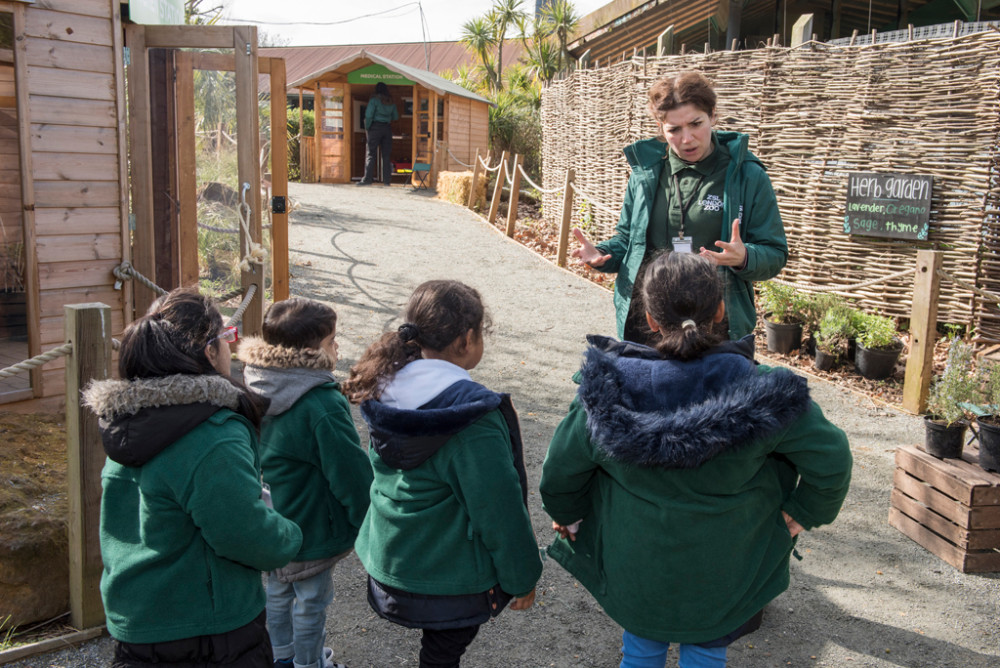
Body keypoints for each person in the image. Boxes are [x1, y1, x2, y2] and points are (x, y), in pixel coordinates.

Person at [539, 252, 852, 668]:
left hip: (638, 566)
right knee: (707, 653)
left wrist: (570, 515)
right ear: (721, 311)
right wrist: (804, 511)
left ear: (649, 318)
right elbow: (832, 460)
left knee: (639, 651)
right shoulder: (767, 395)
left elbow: (559, 474)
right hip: (723, 572)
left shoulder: (606, 396)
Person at [82, 288, 303, 668]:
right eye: (227, 338)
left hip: (138, 619)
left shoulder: (129, 421)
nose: (230, 350)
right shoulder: (210, 433)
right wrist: (289, 535)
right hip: (207, 630)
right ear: (208, 351)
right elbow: (245, 534)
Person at [342, 280, 542, 668]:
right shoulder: (472, 420)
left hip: (389, 560)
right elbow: (498, 509)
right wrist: (523, 577)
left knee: (442, 652)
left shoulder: (385, 386)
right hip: (448, 580)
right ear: (467, 340)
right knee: (445, 649)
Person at [572, 71, 788, 343]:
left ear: (713, 116)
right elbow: (629, 241)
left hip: (716, 329)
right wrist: (602, 254)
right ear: (661, 128)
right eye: (674, 129)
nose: (687, 139)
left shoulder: (747, 175)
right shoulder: (646, 173)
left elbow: (775, 253)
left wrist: (745, 257)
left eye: (696, 123)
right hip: (652, 326)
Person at [238, 298, 374, 668]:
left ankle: (280, 656)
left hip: (271, 513)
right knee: (311, 600)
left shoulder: (252, 383)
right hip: (313, 522)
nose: (337, 347)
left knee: (278, 589)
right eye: (332, 340)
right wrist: (369, 521)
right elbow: (349, 471)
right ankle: (309, 663)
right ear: (312, 350)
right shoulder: (320, 404)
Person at [358, 81, 399, 186]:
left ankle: (367, 179)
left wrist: (367, 127)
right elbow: (395, 117)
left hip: (375, 128)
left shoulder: (374, 100)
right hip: (387, 128)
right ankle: (387, 181)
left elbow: (369, 115)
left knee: (371, 154)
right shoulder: (391, 101)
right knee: (386, 155)